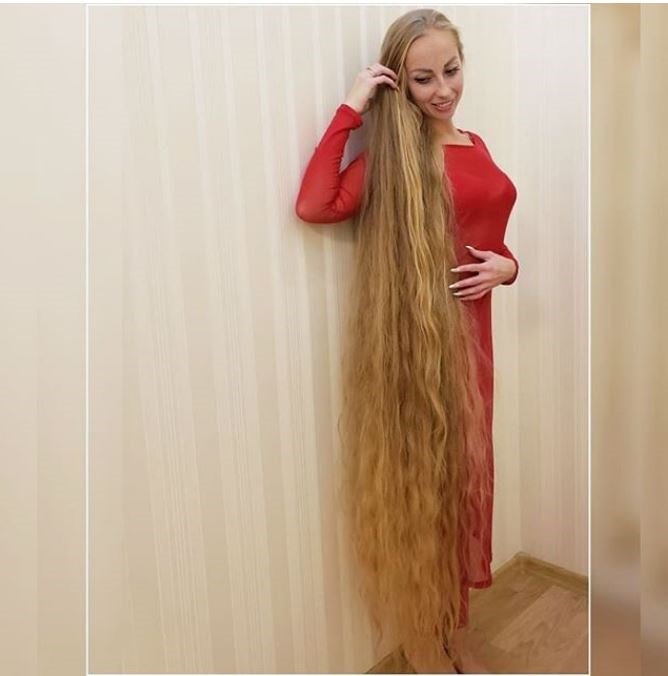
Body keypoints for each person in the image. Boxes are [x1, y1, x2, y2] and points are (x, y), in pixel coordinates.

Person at [295, 8, 518, 674]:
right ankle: (426, 639)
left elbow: (490, 237)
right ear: (401, 82)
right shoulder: (393, 161)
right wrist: (352, 106)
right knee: (427, 492)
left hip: (476, 342)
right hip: (420, 346)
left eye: (451, 70)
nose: (443, 89)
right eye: (423, 79)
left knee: (466, 484)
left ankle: (453, 631)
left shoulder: (476, 143)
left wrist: (509, 269)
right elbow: (315, 204)